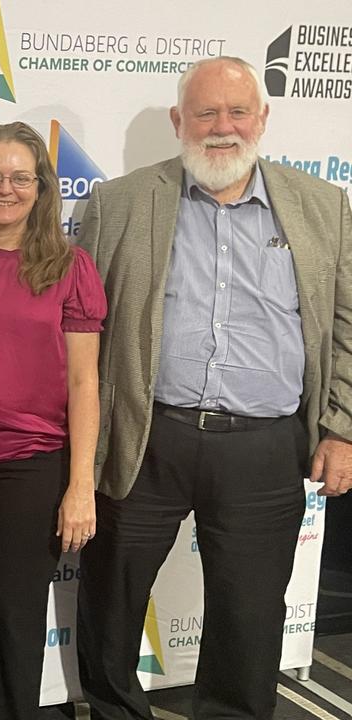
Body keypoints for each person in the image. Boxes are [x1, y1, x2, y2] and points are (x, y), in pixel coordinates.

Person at [76, 56, 352, 719]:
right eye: (205, 112)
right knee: (112, 598)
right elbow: (81, 333)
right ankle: (115, 711)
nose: (221, 126)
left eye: (236, 111)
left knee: (251, 612)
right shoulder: (118, 203)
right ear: (180, 121)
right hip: (148, 438)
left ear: (262, 118)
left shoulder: (322, 206)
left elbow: (347, 321)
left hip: (264, 449)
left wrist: (342, 425)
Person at [0, 121, 105, 719]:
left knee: (12, 612)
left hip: (30, 466)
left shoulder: (70, 267)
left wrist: (81, 484)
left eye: (20, 178)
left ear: (41, 188)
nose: (5, 189)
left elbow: (85, 383)